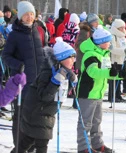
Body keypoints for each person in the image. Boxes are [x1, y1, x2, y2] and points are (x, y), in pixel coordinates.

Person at [18, 38, 77, 153]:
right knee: (41, 144)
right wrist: (55, 82)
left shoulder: (64, 72)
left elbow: (61, 95)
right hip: (37, 112)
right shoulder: (47, 73)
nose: (73, 60)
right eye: (71, 57)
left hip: (46, 113)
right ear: (61, 59)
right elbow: (44, 96)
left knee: (28, 140)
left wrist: (71, 83)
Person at [1, 1, 45, 150]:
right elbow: (5, 56)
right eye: (27, 14)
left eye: (32, 14)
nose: (30, 17)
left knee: (34, 118)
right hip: (22, 84)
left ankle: (29, 145)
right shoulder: (15, 34)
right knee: (20, 118)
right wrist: (19, 66)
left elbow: (40, 55)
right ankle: (19, 147)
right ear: (20, 16)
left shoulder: (36, 31)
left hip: (37, 83)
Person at [76, 28, 115, 153]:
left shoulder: (104, 54)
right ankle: (83, 148)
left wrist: (119, 74)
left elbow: (106, 72)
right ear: (101, 42)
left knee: (96, 121)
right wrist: (109, 72)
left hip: (98, 92)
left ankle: (97, 144)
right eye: (107, 41)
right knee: (85, 122)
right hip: (87, 93)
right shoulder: (90, 55)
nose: (109, 43)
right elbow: (93, 72)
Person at [108, 19, 126, 102]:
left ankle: (118, 95)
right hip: (114, 61)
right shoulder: (112, 36)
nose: (123, 29)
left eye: (123, 28)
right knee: (113, 79)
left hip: (121, 60)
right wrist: (124, 51)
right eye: (121, 28)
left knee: (119, 78)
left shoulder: (122, 37)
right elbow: (112, 49)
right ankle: (112, 96)